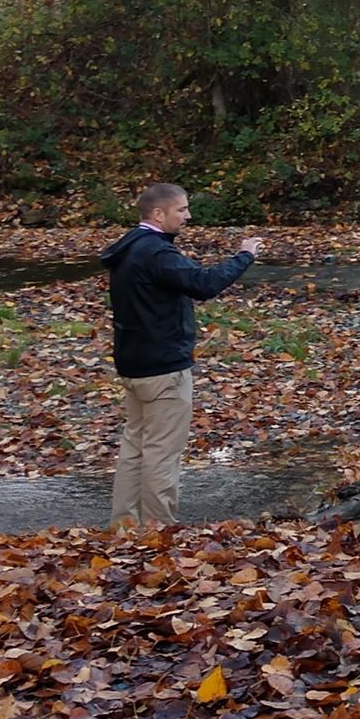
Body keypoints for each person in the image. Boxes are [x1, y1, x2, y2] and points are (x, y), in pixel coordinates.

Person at [97, 183, 263, 529]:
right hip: (163, 369)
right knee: (161, 453)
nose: (188, 216)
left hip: (134, 365)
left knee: (135, 448)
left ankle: (125, 526)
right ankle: (159, 530)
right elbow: (204, 284)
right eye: (182, 210)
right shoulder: (156, 253)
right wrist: (244, 256)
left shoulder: (129, 247)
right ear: (158, 214)